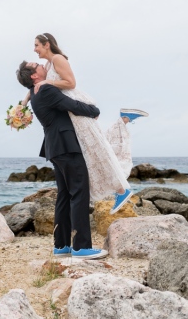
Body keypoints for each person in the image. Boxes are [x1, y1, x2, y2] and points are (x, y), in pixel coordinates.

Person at [23, 33, 134, 213]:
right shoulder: (49, 63)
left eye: (36, 45)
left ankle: (122, 188)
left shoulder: (58, 59)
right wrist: (24, 101)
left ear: (47, 44)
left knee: (96, 148)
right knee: (92, 151)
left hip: (73, 105)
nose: (34, 49)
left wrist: (46, 82)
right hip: (69, 111)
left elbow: (71, 83)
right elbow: (35, 84)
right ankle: (120, 189)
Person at [17, 61, 108, 260]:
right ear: (34, 75)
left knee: (65, 195)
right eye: (37, 65)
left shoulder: (35, 92)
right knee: (79, 192)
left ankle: (62, 245)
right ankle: (81, 247)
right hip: (66, 145)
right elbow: (72, 106)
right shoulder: (46, 90)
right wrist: (94, 111)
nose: (42, 65)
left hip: (55, 148)